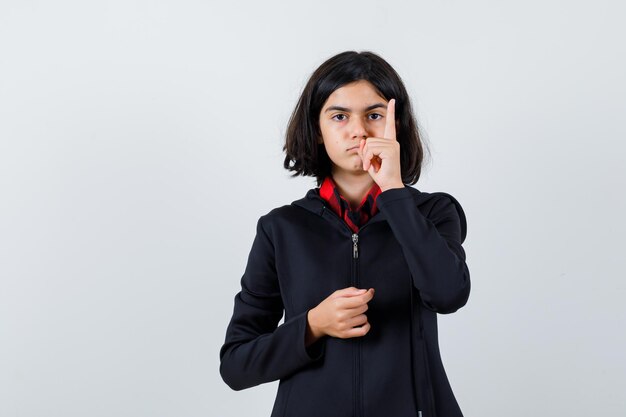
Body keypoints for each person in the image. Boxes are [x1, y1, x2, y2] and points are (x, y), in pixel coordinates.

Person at [219, 50, 471, 417]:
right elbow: (236, 365)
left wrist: (394, 194)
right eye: (339, 116)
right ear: (317, 130)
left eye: (374, 115)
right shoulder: (281, 228)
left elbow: (448, 294)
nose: (359, 130)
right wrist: (312, 325)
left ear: (395, 125)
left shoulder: (432, 213)